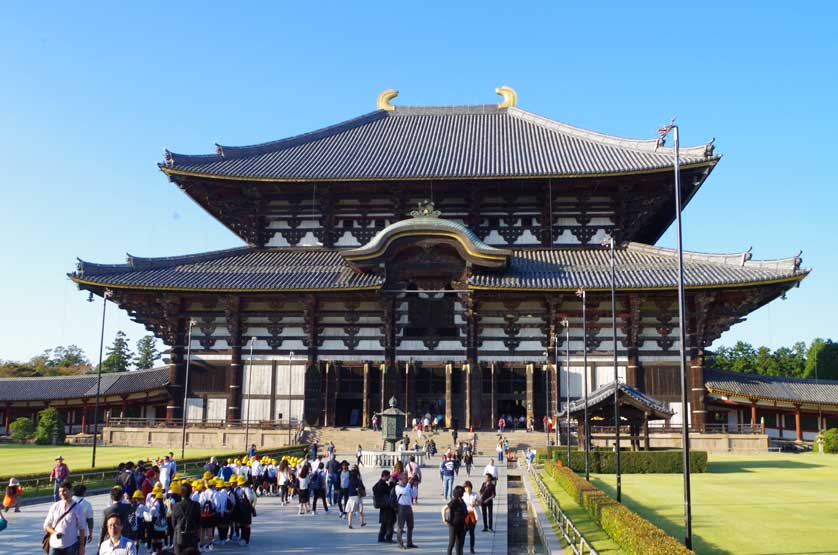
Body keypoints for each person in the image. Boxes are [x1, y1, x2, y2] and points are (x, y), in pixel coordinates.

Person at [44, 480, 87, 555]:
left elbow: (82, 528)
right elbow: (46, 526)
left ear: (70, 491)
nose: (61, 493)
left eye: (64, 491)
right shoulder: (55, 506)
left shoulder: (78, 508)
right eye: (60, 491)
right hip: (54, 546)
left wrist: (81, 547)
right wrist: (55, 533)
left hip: (71, 545)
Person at [441, 485, 468, 555]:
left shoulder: (462, 501)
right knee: (451, 543)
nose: (464, 493)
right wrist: (444, 519)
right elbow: (444, 509)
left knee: (460, 545)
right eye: (463, 492)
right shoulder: (454, 501)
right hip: (454, 525)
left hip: (462, 526)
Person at [394, 473, 418, 549]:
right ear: (400, 479)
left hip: (409, 507)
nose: (407, 479)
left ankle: (409, 543)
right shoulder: (398, 487)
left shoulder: (408, 486)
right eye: (405, 478)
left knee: (410, 526)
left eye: (407, 478)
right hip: (401, 507)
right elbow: (405, 492)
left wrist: (414, 486)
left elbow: (414, 495)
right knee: (400, 527)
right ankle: (400, 543)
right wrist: (408, 484)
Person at [373, 470, 396, 543]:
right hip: (387, 506)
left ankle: (381, 537)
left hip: (382, 506)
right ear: (385, 476)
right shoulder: (382, 485)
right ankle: (389, 538)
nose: (389, 478)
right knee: (390, 522)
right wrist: (392, 483)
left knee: (384, 522)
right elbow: (389, 490)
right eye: (388, 476)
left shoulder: (378, 484)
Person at [71, 483, 94, 548]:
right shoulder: (87, 504)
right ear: (84, 493)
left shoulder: (68, 502)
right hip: (82, 534)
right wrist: (90, 533)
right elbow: (90, 521)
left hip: (68, 534)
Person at [345, 464, 366, 529]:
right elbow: (362, 487)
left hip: (351, 496)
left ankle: (349, 524)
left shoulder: (349, 479)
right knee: (360, 511)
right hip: (357, 496)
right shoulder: (358, 479)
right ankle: (362, 523)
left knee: (350, 511)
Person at [462, 481, 479, 553]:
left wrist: (475, 504)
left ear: (471, 487)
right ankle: (461, 547)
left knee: (472, 532)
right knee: (463, 532)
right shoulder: (462, 495)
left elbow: (480, 502)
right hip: (465, 514)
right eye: (466, 488)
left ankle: (472, 548)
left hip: (472, 514)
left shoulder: (475, 494)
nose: (467, 489)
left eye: (468, 487)